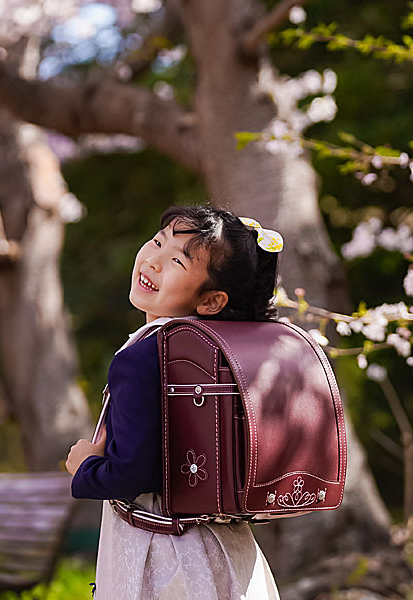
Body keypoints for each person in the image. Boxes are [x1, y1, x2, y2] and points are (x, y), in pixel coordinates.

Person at [65, 204, 282, 600]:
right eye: (157, 242)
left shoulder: (143, 357)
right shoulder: (223, 351)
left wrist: (85, 467)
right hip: (229, 553)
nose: (153, 261)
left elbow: (131, 474)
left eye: (178, 262)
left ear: (212, 300)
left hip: (161, 558)